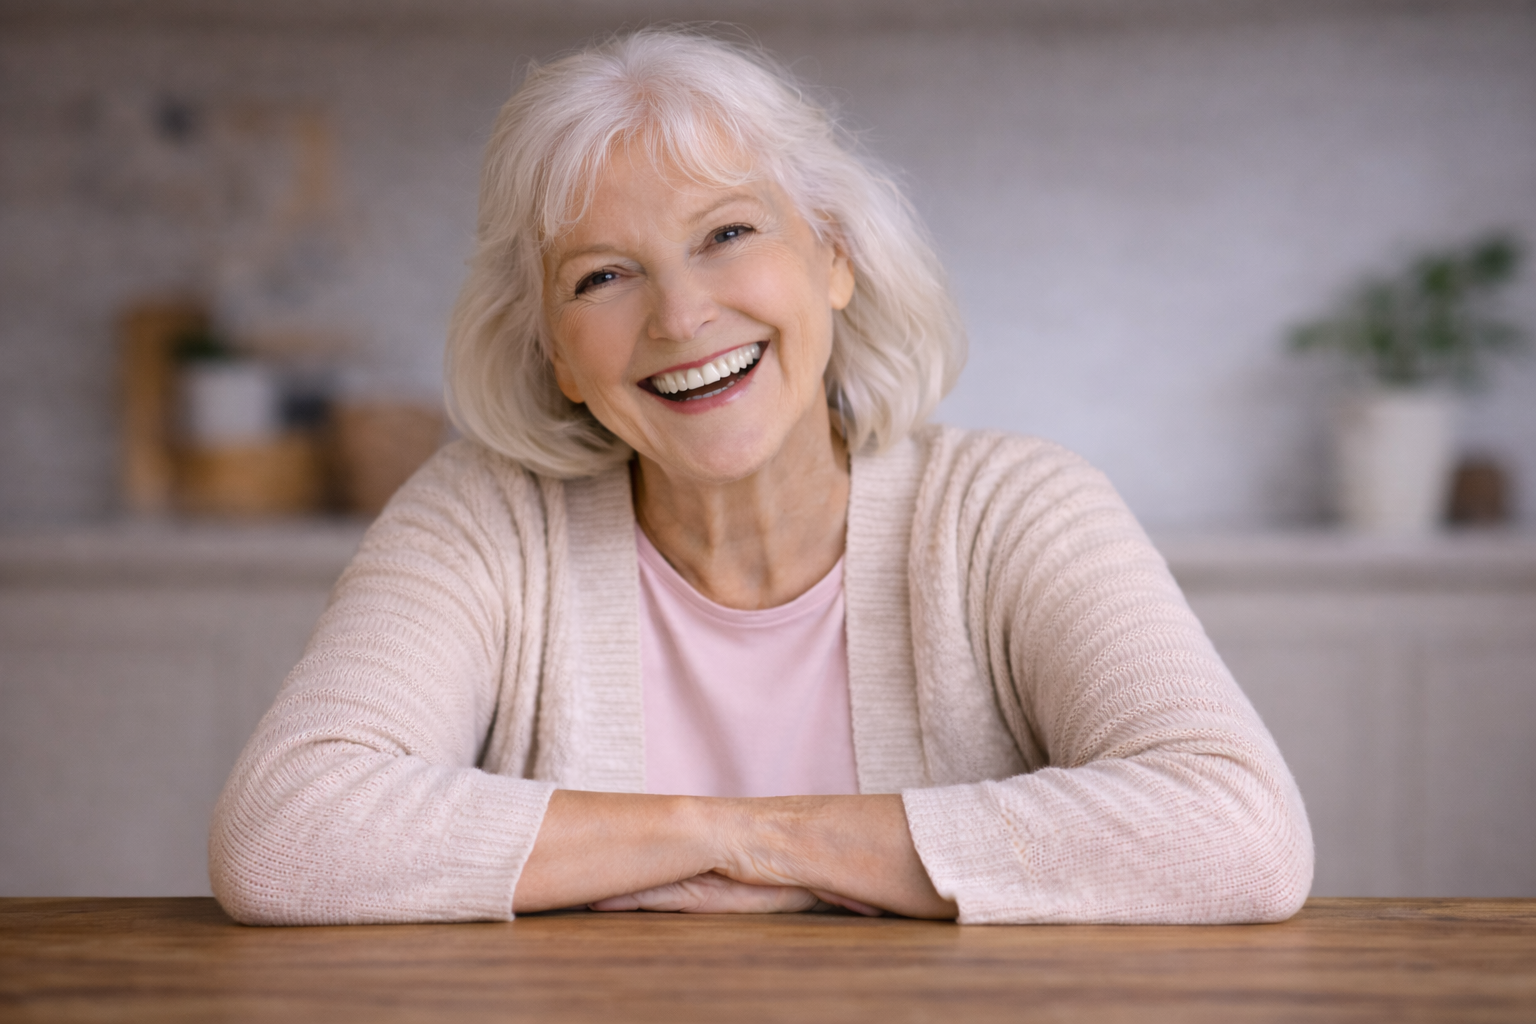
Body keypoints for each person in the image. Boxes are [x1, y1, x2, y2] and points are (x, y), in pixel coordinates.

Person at [210, 28, 1313, 926]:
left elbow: (1237, 830)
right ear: (556, 348)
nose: (683, 316)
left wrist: (775, 837)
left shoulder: (1010, 509)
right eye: (603, 275)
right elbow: (286, 833)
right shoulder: (485, 520)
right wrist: (722, 834)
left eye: (727, 232)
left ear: (833, 257)